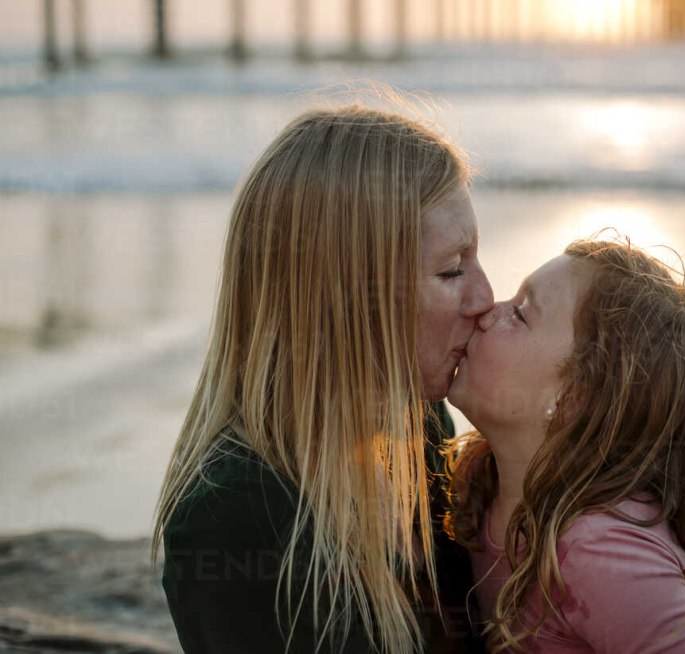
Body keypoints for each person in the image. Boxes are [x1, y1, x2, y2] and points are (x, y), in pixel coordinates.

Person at [150, 103, 494, 654]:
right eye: (452, 269)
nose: (484, 298)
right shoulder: (234, 513)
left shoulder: (417, 422)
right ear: (350, 294)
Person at [444, 239, 685, 653]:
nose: (486, 310)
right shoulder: (480, 474)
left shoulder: (597, 551)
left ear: (574, 398)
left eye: (519, 314)